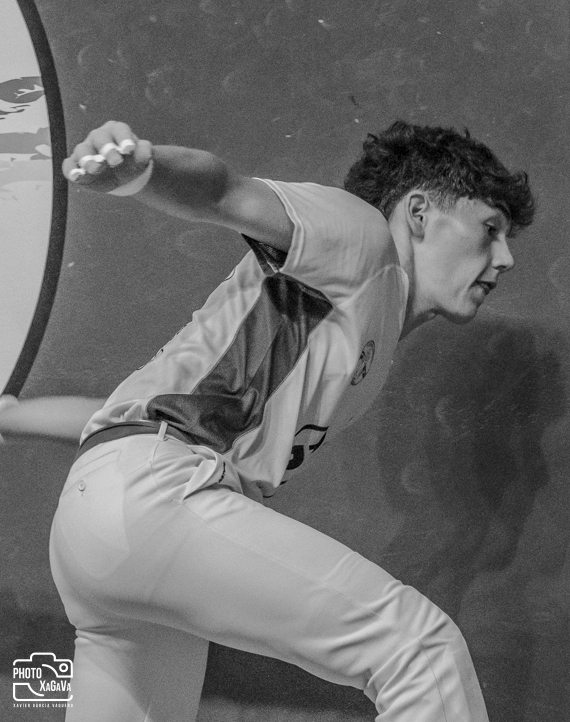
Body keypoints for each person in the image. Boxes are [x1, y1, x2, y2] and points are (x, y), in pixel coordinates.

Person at [35, 118, 534, 722]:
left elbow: (126, 420)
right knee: (418, 650)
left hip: (105, 519)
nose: (503, 258)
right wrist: (140, 171)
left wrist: (12, 415)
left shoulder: (357, 324)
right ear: (420, 213)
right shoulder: (363, 234)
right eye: (490, 229)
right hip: (156, 495)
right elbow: (225, 193)